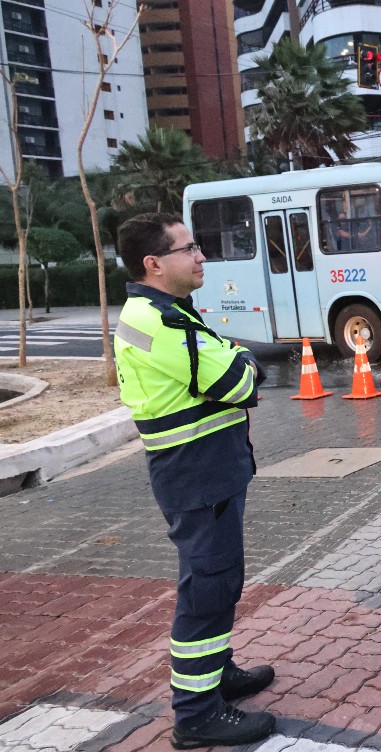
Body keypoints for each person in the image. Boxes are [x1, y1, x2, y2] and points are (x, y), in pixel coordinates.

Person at [112, 213, 275, 749]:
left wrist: (236, 365)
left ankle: (217, 672)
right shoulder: (158, 321)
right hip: (196, 471)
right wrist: (246, 364)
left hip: (205, 469)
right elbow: (236, 380)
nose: (201, 256)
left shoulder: (165, 311)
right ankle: (197, 713)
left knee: (219, 580)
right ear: (153, 263)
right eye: (188, 249)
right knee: (207, 588)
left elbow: (223, 373)